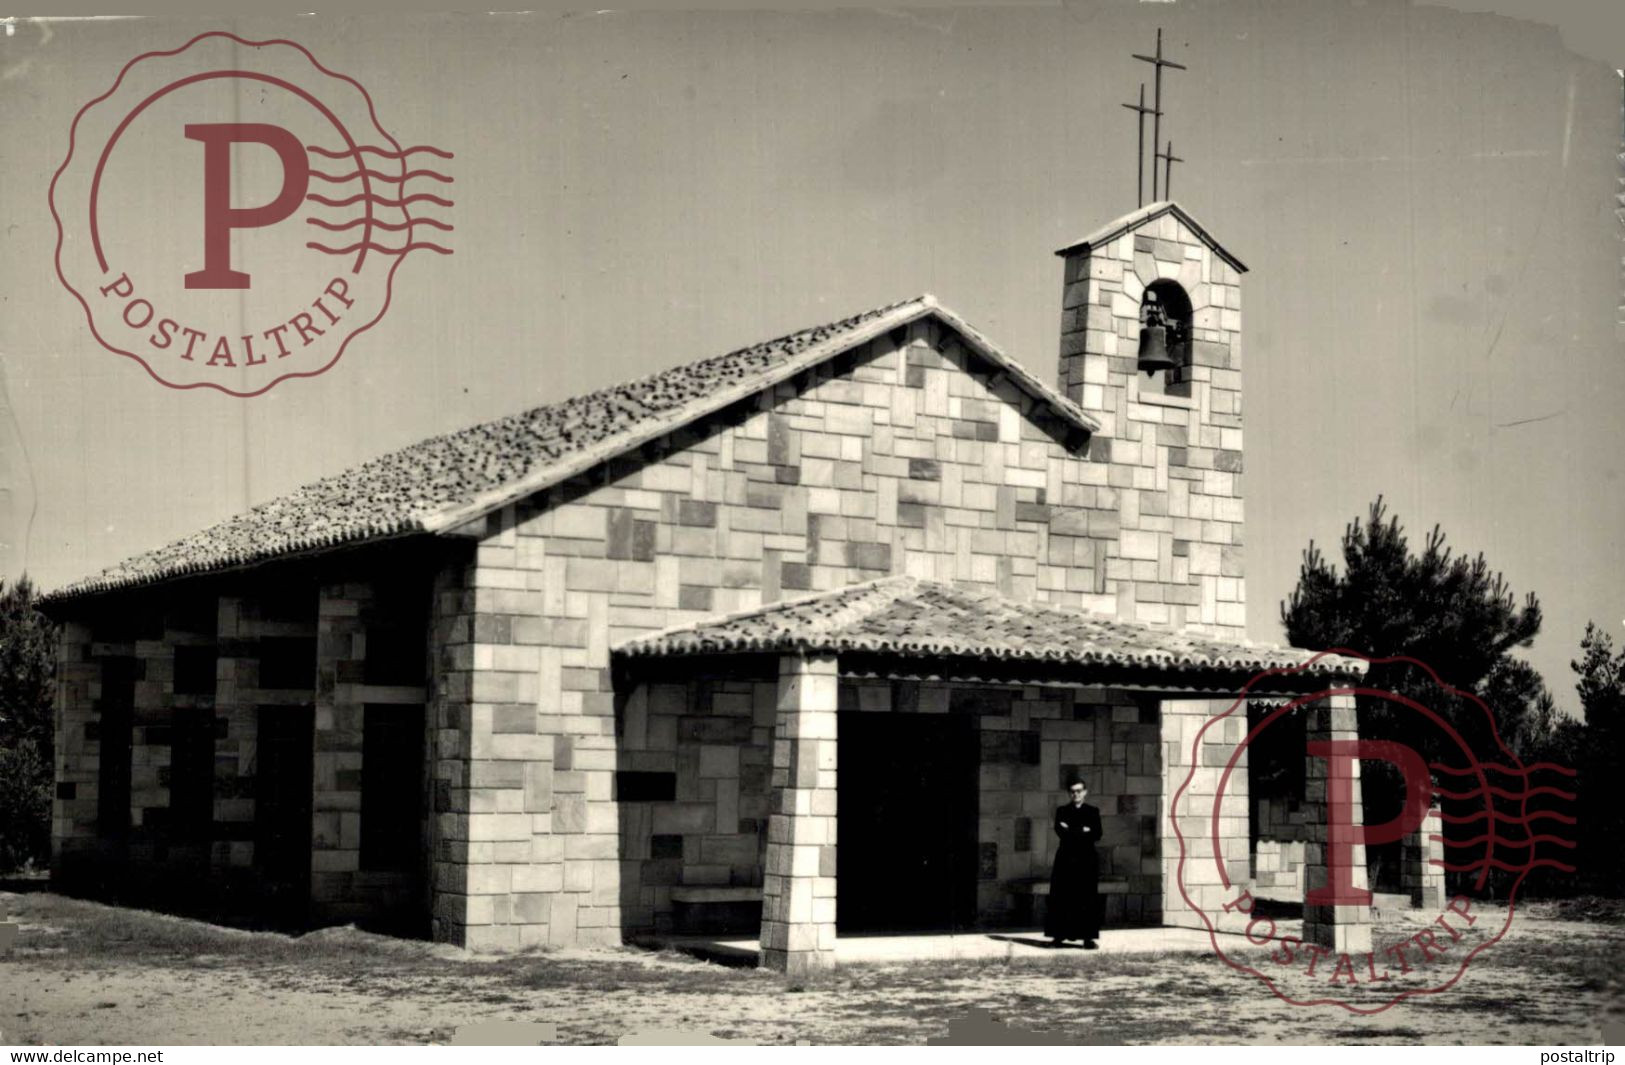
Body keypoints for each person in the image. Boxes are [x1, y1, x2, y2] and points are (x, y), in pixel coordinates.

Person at [1045, 778, 1103, 949]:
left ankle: (1087, 939)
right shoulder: (1062, 811)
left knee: (1086, 897)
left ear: (1085, 792)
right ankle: (1058, 936)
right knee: (1062, 896)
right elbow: (1060, 831)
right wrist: (1083, 830)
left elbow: (1097, 834)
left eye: (1079, 791)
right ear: (1068, 793)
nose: (1075, 794)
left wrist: (1071, 829)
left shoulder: (1093, 811)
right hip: (1066, 860)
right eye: (1072, 791)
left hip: (1086, 860)